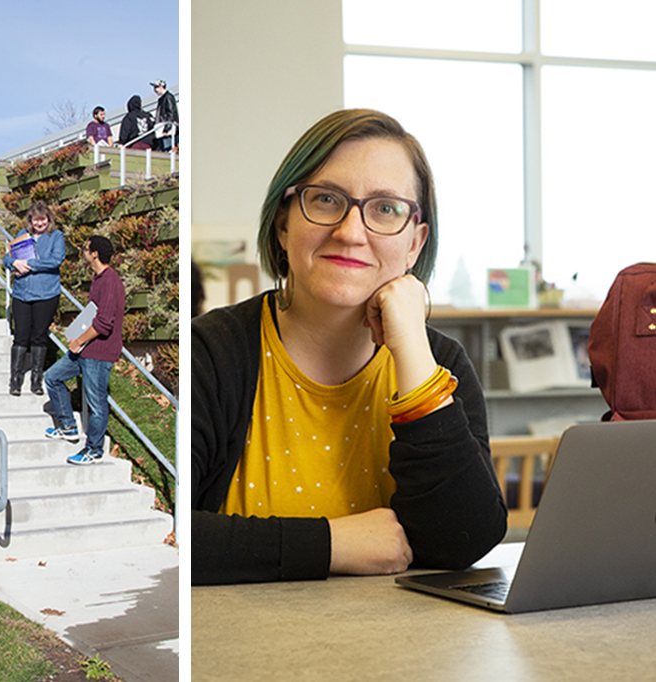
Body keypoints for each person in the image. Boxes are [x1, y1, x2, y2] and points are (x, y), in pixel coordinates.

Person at [191, 109, 507, 585]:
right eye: (325, 200)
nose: (351, 232)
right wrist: (330, 544)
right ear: (283, 224)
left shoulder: (440, 363)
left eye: (385, 209)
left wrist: (410, 345)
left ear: (415, 244)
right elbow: (173, 535)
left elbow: (465, 540)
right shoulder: (211, 354)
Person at [44, 235, 125, 466]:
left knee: (96, 404)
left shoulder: (110, 281)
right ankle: (68, 426)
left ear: (95, 253)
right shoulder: (98, 278)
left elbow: (104, 323)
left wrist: (79, 340)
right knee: (52, 377)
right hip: (86, 350)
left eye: (85, 248)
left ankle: (94, 450)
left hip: (98, 352)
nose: (83, 252)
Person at [2, 201, 66, 396]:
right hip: (22, 294)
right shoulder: (22, 234)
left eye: (43, 219)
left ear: (49, 220)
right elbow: (6, 258)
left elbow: (56, 259)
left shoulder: (56, 236)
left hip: (46, 294)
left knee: (39, 336)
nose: (39, 223)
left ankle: (36, 380)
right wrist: (15, 263)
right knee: (20, 336)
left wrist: (29, 264)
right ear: (30, 220)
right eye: (36, 219)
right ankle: (15, 379)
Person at [150, 79, 178, 152]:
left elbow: (171, 113)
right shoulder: (161, 99)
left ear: (162, 87)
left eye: (156, 87)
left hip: (166, 129)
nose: (155, 90)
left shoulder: (168, 97)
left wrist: (167, 129)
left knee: (167, 149)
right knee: (163, 149)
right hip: (161, 128)